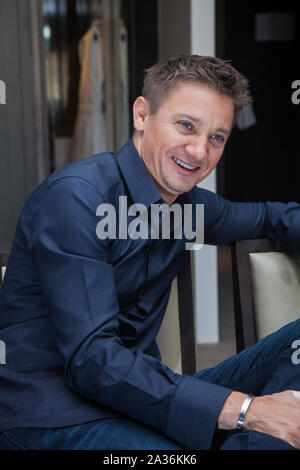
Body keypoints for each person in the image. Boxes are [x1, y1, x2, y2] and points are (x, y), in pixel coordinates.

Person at [0, 54, 300, 451]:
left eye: (216, 137)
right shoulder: (77, 198)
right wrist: (246, 410)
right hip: (53, 412)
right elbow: (93, 361)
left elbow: (268, 218)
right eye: (186, 126)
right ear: (142, 115)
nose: (198, 151)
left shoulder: (188, 207)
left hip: (142, 401)